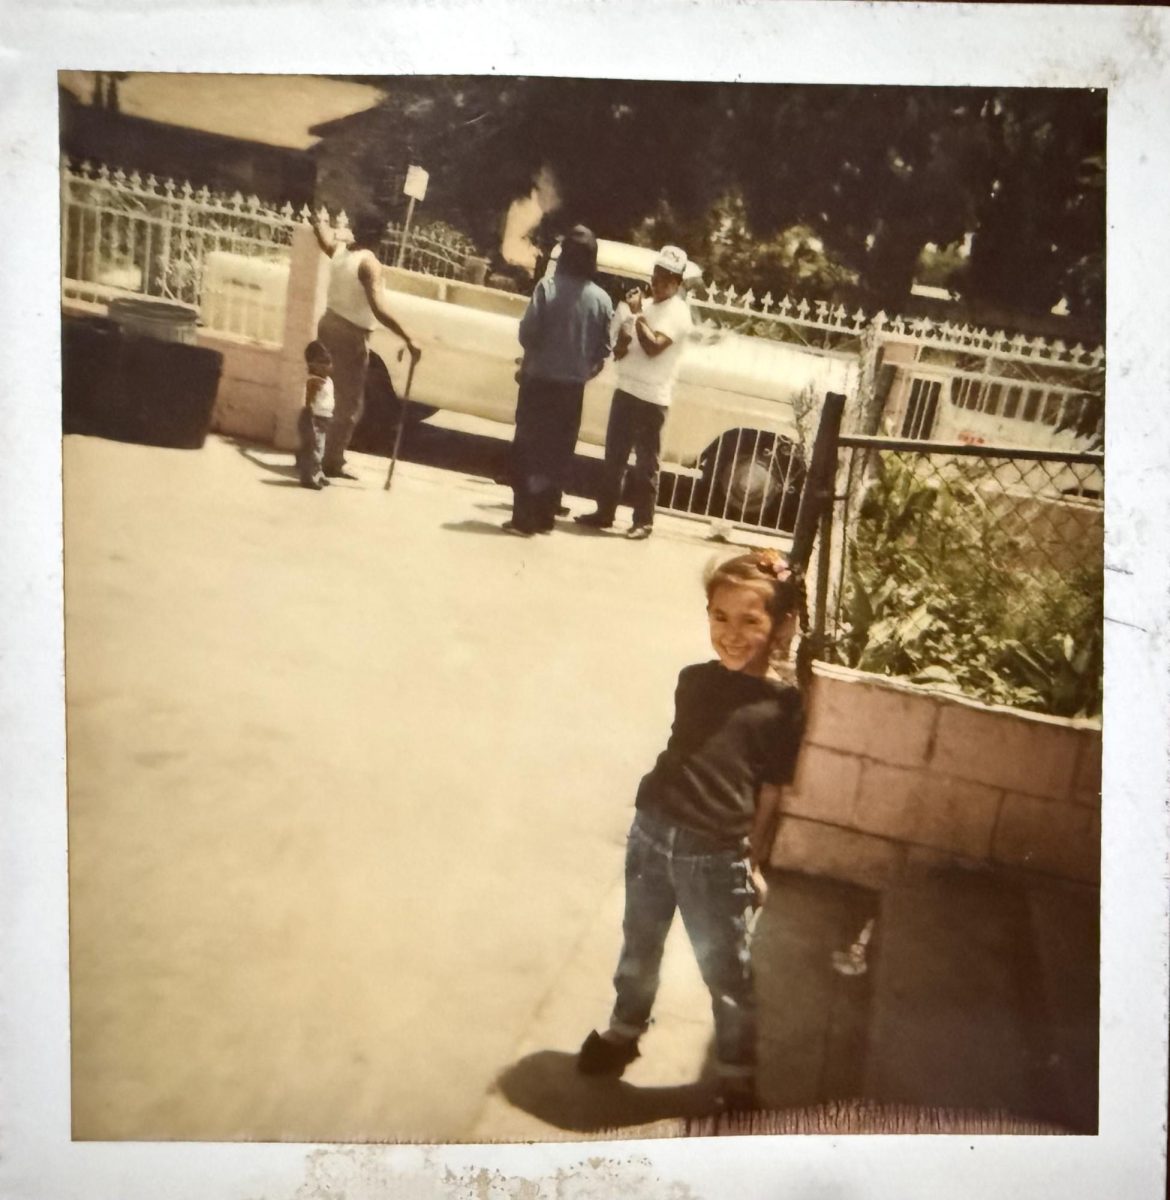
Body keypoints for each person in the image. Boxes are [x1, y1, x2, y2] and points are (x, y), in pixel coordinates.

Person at [576, 548, 808, 1113]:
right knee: (639, 945)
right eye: (719, 616)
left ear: (780, 628)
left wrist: (754, 861)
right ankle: (623, 1032)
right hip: (653, 834)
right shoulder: (692, 681)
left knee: (727, 971)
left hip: (715, 855)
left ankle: (735, 1073)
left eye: (751, 621)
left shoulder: (784, 706)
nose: (731, 634)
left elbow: (772, 790)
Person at [575, 245, 693, 540]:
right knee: (614, 457)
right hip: (627, 388)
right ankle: (605, 512)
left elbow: (654, 347)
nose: (659, 282)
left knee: (646, 463)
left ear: (678, 284)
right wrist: (624, 339)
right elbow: (620, 350)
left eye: (668, 278)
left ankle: (644, 521)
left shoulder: (678, 313)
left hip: (653, 397)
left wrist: (638, 315)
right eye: (657, 274)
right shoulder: (647, 306)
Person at [505, 225, 613, 536]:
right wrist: (579, 371)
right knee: (558, 454)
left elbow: (527, 334)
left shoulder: (547, 288)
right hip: (571, 391)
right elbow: (602, 352)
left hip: (538, 384)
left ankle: (523, 520)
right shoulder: (602, 300)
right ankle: (545, 518)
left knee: (528, 450)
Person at [311, 208, 421, 481]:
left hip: (328, 325)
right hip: (350, 336)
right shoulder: (369, 263)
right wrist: (408, 337)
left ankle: (317, 456)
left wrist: (319, 222)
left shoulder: (339, 251)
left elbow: (323, 237)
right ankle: (331, 461)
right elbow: (379, 307)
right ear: (381, 236)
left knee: (324, 396)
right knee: (348, 405)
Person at [296, 340, 334, 490]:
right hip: (313, 419)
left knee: (320, 448)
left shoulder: (327, 380)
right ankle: (308, 477)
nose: (326, 366)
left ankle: (318, 473)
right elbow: (308, 401)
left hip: (323, 419)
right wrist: (309, 418)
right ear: (311, 364)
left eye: (328, 362)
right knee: (312, 449)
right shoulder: (314, 381)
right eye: (321, 362)